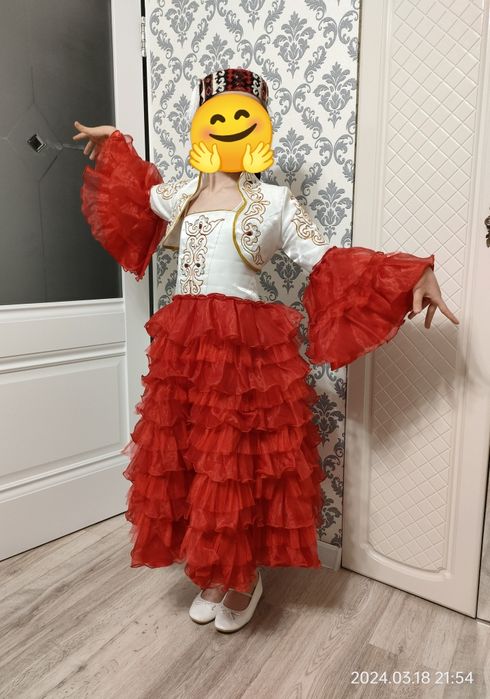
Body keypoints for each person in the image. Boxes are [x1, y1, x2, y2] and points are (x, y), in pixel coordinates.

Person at [74, 68, 459, 634]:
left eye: (243, 116)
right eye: (218, 115)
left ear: (260, 127)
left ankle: (244, 576)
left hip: (244, 350)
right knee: (196, 455)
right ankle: (213, 569)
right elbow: (135, 192)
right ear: (201, 126)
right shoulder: (180, 195)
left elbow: (327, 260)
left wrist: (411, 275)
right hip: (185, 349)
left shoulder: (275, 202)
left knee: (237, 463)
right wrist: (115, 143)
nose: (229, 125)